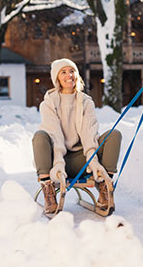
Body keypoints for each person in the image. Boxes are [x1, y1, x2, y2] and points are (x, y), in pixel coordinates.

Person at [32, 58, 122, 215]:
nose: (69, 75)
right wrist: (58, 164)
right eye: (64, 72)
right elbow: (55, 135)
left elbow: (89, 133)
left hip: (83, 161)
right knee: (39, 136)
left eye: (72, 71)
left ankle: (104, 188)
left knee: (114, 135)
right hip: (58, 162)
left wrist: (93, 161)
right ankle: (48, 190)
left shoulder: (86, 101)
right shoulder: (48, 103)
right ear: (57, 78)